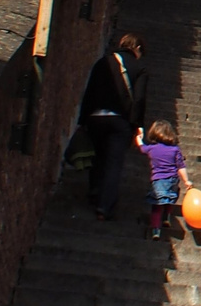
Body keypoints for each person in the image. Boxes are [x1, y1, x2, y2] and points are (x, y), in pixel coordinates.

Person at [79, 32, 148, 221]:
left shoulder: (103, 62)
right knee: (113, 164)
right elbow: (139, 99)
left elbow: (90, 91)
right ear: (138, 49)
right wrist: (137, 125)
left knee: (98, 156)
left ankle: (94, 192)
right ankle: (104, 207)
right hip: (120, 122)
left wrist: (82, 120)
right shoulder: (140, 68)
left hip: (95, 118)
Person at [136, 120, 191, 239]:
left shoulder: (151, 148)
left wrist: (139, 138)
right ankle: (167, 217)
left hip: (158, 181)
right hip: (172, 180)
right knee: (169, 197)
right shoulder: (175, 150)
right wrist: (186, 180)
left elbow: (142, 148)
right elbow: (181, 166)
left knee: (156, 205)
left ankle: (156, 230)